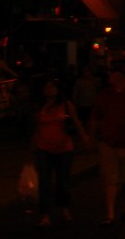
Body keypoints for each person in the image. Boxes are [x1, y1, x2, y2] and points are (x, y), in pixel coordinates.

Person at [90, 63, 125, 225]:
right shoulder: (104, 94)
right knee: (110, 177)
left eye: (113, 73)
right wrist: (91, 136)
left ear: (121, 76)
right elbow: (95, 117)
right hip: (108, 142)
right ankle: (109, 213)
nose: (109, 76)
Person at [30, 78, 88, 226]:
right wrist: (33, 148)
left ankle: (64, 208)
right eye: (46, 87)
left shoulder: (66, 105)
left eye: (51, 87)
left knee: (63, 181)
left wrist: (84, 138)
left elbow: (75, 121)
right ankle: (45, 214)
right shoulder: (40, 106)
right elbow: (36, 127)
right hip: (43, 147)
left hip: (63, 148)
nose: (48, 89)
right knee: (44, 181)